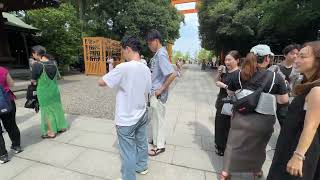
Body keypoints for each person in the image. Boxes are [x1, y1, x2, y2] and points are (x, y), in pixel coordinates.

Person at [220, 45, 289, 180]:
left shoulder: (239, 74)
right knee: (259, 146)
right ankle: (256, 170)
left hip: (240, 116)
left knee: (233, 144)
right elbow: (283, 101)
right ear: (267, 58)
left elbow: (231, 92)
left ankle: (226, 173)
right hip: (264, 121)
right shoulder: (276, 78)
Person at [98, 36, 151, 180]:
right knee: (141, 142)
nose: (123, 54)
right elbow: (148, 90)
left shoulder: (124, 67)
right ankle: (142, 166)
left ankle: (128, 177)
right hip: (142, 112)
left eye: (123, 51)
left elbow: (101, 82)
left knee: (127, 151)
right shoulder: (146, 68)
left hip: (126, 117)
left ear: (128, 49)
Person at [267, 41, 320, 180]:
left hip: (297, 149)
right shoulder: (308, 85)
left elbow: (311, 126)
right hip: (290, 144)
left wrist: (298, 156)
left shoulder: (317, 90)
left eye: (302, 56)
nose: (297, 59)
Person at [146, 29, 176, 156]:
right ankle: (157, 140)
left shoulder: (161, 54)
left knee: (158, 119)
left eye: (149, 43)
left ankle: (160, 145)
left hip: (158, 94)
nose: (148, 46)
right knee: (155, 118)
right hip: (154, 93)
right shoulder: (158, 54)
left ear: (156, 41)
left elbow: (172, 74)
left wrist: (161, 89)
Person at [31, 45, 68, 138]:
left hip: (44, 91)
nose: (32, 55)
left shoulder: (37, 65)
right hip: (54, 90)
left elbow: (33, 81)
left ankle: (51, 131)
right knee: (57, 108)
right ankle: (61, 127)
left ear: (36, 54)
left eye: (33, 53)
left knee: (47, 111)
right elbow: (58, 77)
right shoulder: (53, 63)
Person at [214, 50, 240, 156]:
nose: (227, 62)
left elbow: (233, 92)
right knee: (219, 123)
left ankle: (222, 148)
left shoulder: (238, 74)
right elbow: (216, 82)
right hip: (221, 101)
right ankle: (219, 144)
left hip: (229, 104)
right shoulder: (226, 72)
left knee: (225, 126)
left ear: (237, 60)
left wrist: (224, 86)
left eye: (229, 60)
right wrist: (219, 73)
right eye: (226, 60)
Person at [0, 67, 22, 163]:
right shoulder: (2, 70)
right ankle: (16, 146)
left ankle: (3, 155)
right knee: (11, 125)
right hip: (7, 100)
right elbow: (11, 84)